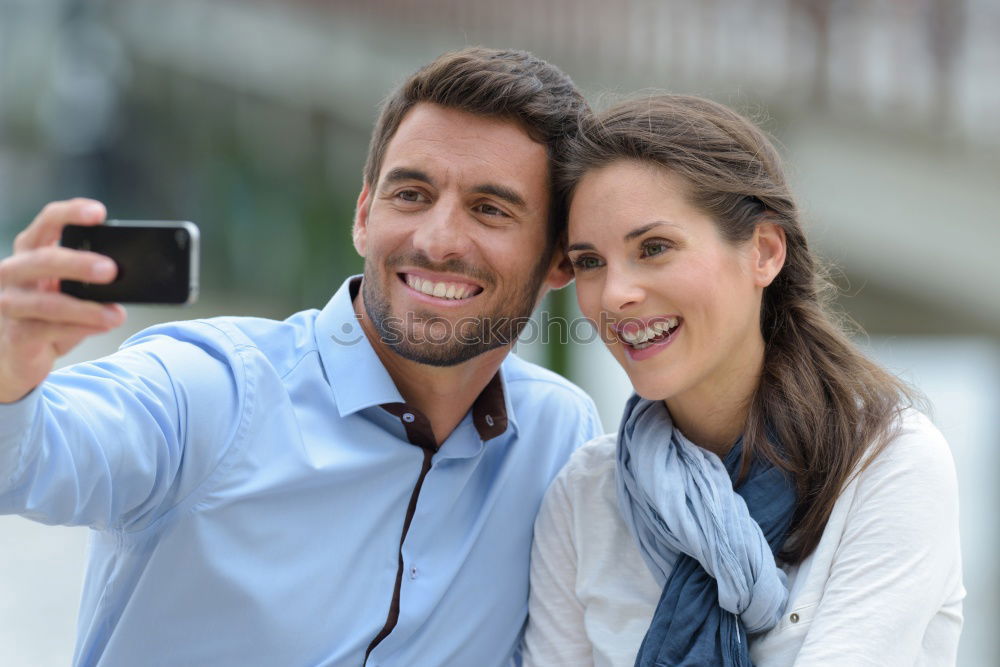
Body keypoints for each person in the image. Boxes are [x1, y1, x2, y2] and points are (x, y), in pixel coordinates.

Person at [0, 47, 602, 666]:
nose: (437, 241)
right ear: (364, 214)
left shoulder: (560, 441)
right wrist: (8, 373)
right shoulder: (210, 390)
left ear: (561, 257)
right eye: (412, 195)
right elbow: (30, 458)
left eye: (490, 209)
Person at [522, 95, 964, 666]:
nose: (615, 295)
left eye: (653, 248)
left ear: (764, 252)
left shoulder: (886, 464)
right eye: (589, 262)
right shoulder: (585, 495)